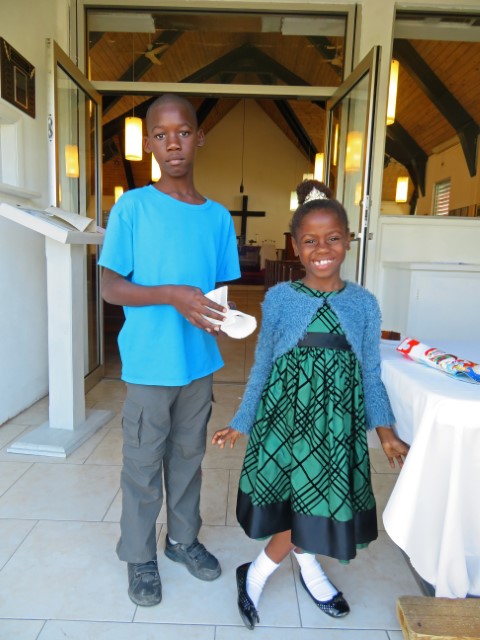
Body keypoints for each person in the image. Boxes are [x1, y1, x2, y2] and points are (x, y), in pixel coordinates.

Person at [212, 179, 409, 629]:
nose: (323, 248)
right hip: (284, 421)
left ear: (348, 242)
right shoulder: (280, 298)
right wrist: (242, 420)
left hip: (335, 426)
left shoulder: (363, 304)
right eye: (310, 241)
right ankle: (264, 574)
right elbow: (262, 366)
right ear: (296, 248)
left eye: (333, 238)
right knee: (292, 502)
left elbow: (371, 375)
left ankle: (282, 569)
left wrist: (387, 433)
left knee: (315, 502)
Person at [99, 93, 241, 607]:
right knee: (142, 463)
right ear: (150, 143)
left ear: (199, 137)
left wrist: (224, 318)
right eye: (160, 135)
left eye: (182, 132)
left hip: (198, 362)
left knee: (188, 457)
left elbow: (220, 291)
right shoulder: (133, 207)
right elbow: (111, 287)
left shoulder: (218, 217)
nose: (172, 143)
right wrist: (172, 295)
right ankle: (139, 556)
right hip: (149, 362)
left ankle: (182, 540)